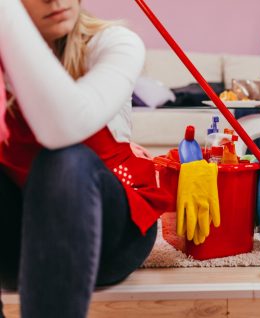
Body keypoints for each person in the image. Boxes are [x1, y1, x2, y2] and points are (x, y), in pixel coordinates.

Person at [0, 0, 173, 317]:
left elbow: (61, 130)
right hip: (21, 237)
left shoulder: (114, 43)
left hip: (114, 233)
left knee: (64, 160)